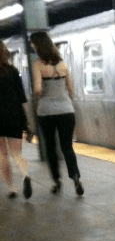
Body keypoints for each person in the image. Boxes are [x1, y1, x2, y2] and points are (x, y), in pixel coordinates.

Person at [30, 31, 84, 196]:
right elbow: (71, 91)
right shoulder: (63, 65)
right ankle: (75, 176)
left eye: (33, 43)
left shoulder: (37, 65)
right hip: (66, 110)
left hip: (46, 112)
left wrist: (40, 91)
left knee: (51, 147)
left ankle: (56, 181)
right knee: (67, 146)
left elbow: (38, 90)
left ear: (38, 45)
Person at [0, 41, 32, 200]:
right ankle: (25, 175)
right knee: (16, 153)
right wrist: (27, 120)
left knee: (2, 154)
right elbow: (22, 98)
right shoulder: (13, 71)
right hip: (14, 115)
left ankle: (11, 188)